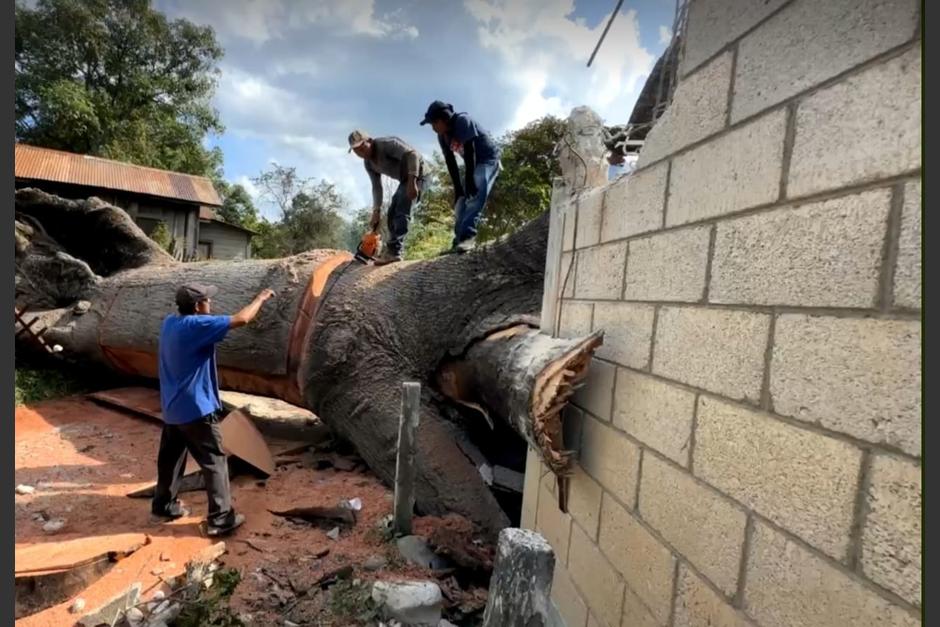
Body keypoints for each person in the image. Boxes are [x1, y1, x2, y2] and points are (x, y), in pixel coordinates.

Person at [151, 283, 275, 537]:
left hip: (173, 407)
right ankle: (221, 518)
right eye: (207, 300)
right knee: (215, 462)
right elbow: (242, 318)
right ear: (198, 307)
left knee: (171, 459)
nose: (211, 304)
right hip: (196, 409)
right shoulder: (198, 326)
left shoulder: (170, 323)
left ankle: (164, 505)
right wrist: (261, 298)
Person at [420, 101, 501, 254]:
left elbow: (470, 151)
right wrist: (458, 188)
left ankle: (468, 237)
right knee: (461, 203)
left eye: (434, 123)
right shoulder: (442, 136)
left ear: (443, 119)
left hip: (487, 160)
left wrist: (469, 179)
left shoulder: (463, 121)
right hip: (473, 165)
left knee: (475, 194)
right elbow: (450, 161)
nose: (433, 128)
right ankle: (458, 241)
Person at [348, 129, 426, 265]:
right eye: (356, 151)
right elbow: (377, 187)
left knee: (402, 209)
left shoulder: (388, 144)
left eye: (362, 147)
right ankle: (390, 251)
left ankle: (396, 252)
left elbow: (413, 155)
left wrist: (413, 182)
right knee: (391, 215)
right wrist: (376, 211)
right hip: (404, 180)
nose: (361, 153)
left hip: (419, 174)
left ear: (370, 141)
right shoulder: (368, 163)